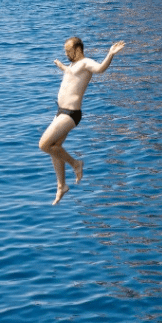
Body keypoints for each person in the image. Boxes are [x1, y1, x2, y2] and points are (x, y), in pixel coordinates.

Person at [39, 37, 125, 205]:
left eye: (69, 51)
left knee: (44, 145)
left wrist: (110, 54)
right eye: (65, 51)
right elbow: (72, 75)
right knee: (54, 147)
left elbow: (100, 69)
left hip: (71, 114)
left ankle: (76, 164)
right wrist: (62, 66)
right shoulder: (73, 65)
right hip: (60, 112)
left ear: (78, 49)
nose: (66, 54)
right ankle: (61, 186)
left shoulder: (86, 63)